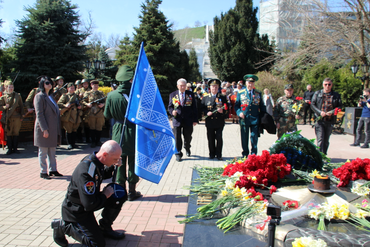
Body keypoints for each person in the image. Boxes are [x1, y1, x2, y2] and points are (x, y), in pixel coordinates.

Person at [51, 140, 126, 247]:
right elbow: (89, 205)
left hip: (89, 201)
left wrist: (113, 166)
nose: (116, 161)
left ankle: (105, 227)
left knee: (120, 194)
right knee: (97, 244)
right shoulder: (86, 171)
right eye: (115, 159)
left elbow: (102, 175)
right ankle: (63, 226)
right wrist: (105, 195)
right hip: (77, 211)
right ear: (105, 154)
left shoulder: (96, 161)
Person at [104, 65, 142, 201]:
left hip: (118, 130)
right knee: (132, 160)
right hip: (133, 131)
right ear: (131, 78)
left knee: (117, 159)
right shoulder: (136, 94)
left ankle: (120, 190)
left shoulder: (111, 95)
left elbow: (107, 114)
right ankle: (132, 191)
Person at [33, 76, 63, 179]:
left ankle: (53, 170)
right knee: (43, 152)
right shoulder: (39, 96)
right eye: (46, 83)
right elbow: (39, 114)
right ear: (42, 84)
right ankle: (43, 171)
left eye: (50, 82)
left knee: (52, 151)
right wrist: (44, 129)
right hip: (44, 128)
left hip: (53, 128)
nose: (49, 84)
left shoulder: (51, 96)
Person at [234, 74, 266, 157]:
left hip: (255, 119)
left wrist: (263, 118)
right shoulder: (241, 93)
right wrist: (239, 113)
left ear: (254, 84)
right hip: (244, 119)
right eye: (248, 82)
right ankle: (245, 153)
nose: (250, 84)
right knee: (244, 137)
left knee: (254, 137)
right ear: (246, 83)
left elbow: (262, 106)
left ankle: (253, 154)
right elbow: (236, 105)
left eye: (252, 83)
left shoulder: (258, 93)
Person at [168, 78, 198, 161]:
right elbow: (170, 107)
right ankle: (178, 153)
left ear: (186, 86)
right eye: (181, 85)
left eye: (184, 85)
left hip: (188, 119)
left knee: (188, 137)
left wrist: (195, 119)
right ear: (177, 86)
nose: (182, 87)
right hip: (177, 119)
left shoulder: (190, 94)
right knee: (177, 137)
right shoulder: (173, 94)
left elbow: (194, 107)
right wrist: (172, 112)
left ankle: (187, 147)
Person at [311, 78, 343, 154]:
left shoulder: (336, 95)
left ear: (331, 85)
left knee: (326, 140)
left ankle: (324, 155)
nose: (327, 86)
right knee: (320, 139)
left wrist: (332, 112)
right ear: (323, 85)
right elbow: (312, 104)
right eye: (326, 84)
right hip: (319, 120)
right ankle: (319, 156)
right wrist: (320, 112)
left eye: (329, 84)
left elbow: (340, 106)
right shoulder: (317, 93)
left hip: (329, 120)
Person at [201, 79, 228, 160]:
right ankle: (212, 153)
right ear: (210, 88)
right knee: (210, 138)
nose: (214, 88)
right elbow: (202, 108)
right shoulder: (205, 97)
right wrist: (206, 113)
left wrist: (222, 111)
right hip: (210, 122)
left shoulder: (222, 97)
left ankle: (219, 154)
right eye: (213, 87)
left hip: (219, 121)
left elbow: (227, 108)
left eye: (216, 87)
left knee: (219, 137)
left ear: (218, 87)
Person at [0, 80, 24, 154]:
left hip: (16, 117)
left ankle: (15, 148)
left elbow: (21, 105)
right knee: (9, 133)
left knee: (16, 132)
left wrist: (22, 115)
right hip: (8, 117)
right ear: (6, 88)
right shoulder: (4, 97)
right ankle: (10, 149)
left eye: (12, 87)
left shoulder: (17, 95)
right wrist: (4, 107)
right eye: (9, 87)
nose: (11, 88)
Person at [58, 83, 82, 150]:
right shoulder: (65, 96)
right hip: (68, 116)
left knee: (74, 130)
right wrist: (65, 105)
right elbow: (59, 103)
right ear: (68, 89)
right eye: (71, 88)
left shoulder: (77, 96)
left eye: (73, 88)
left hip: (76, 116)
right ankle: (69, 144)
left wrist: (80, 107)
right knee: (68, 130)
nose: (72, 89)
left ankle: (73, 143)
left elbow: (81, 104)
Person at [82, 80, 106, 148]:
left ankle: (98, 141)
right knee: (92, 127)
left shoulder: (101, 93)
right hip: (91, 113)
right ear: (91, 85)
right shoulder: (88, 93)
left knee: (99, 127)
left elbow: (105, 101)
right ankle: (93, 141)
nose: (96, 86)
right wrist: (87, 104)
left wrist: (103, 104)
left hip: (100, 113)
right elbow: (83, 101)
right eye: (94, 85)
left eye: (97, 85)